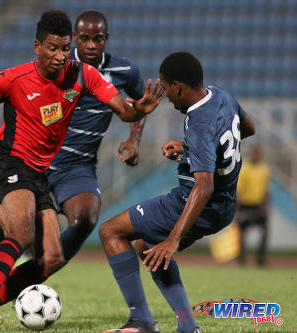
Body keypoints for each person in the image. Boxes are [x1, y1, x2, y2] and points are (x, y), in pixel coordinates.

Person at [0, 10, 163, 331]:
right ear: (37, 47)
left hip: (39, 173)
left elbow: (122, 109)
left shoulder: (84, 75)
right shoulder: (14, 78)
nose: (60, 56)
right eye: (53, 48)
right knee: (19, 232)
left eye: (64, 49)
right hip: (9, 163)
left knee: (51, 257)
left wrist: (137, 113)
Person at [99, 51, 255, 333]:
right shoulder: (222, 96)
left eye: (167, 89)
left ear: (179, 87)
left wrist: (174, 239)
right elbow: (248, 128)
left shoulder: (197, 121)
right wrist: (193, 150)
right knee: (147, 247)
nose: (167, 98)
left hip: (192, 203)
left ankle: (141, 321)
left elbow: (203, 186)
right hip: (225, 206)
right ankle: (187, 326)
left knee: (110, 230)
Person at [236, 147, 271, 266]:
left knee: (265, 232)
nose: (256, 157)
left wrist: (267, 205)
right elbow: (239, 189)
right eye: (254, 154)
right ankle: (242, 260)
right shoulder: (245, 168)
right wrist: (237, 208)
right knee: (242, 233)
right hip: (245, 204)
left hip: (259, 205)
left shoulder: (265, 169)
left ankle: (260, 259)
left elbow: (266, 189)